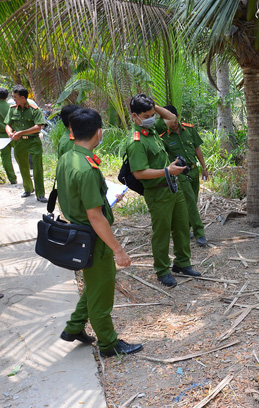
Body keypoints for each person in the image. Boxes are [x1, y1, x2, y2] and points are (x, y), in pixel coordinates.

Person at [57, 108, 142, 357]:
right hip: (93, 239)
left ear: (72, 132)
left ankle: (74, 327)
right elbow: (95, 216)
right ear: (99, 132)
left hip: (78, 232)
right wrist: (118, 250)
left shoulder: (68, 157)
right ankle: (108, 344)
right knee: (102, 294)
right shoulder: (86, 168)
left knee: (94, 286)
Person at [125, 94, 201, 287]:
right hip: (157, 192)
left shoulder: (151, 130)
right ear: (135, 116)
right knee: (162, 232)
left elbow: (172, 119)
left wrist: (153, 106)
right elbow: (139, 173)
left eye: (152, 114)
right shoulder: (136, 141)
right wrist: (167, 170)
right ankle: (162, 270)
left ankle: (182, 263)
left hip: (174, 188)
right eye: (146, 115)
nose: (151, 118)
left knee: (182, 226)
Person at [158, 105, 209, 247]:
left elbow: (197, 149)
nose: (171, 123)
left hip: (194, 170)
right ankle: (200, 233)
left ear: (177, 117)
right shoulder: (163, 137)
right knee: (191, 202)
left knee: (192, 200)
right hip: (180, 174)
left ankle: (186, 230)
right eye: (166, 120)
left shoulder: (190, 129)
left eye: (172, 120)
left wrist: (204, 168)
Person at [3, 85, 47, 202]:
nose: (13, 99)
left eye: (15, 97)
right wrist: (10, 132)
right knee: (23, 167)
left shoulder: (34, 110)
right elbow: (8, 124)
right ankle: (28, 188)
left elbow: (38, 127)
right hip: (19, 143)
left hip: (33, 142)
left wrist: (22, 132)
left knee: (37, 168)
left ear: (23, 98)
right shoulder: (12, 109)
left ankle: (40, 193)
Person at [0, 88, 17, 185]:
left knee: (6, 158)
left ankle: (12, 179)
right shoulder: (12, 107)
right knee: (20, 156)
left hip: (1, 136)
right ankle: (26, 175)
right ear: (7, 96)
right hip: (14, 134)